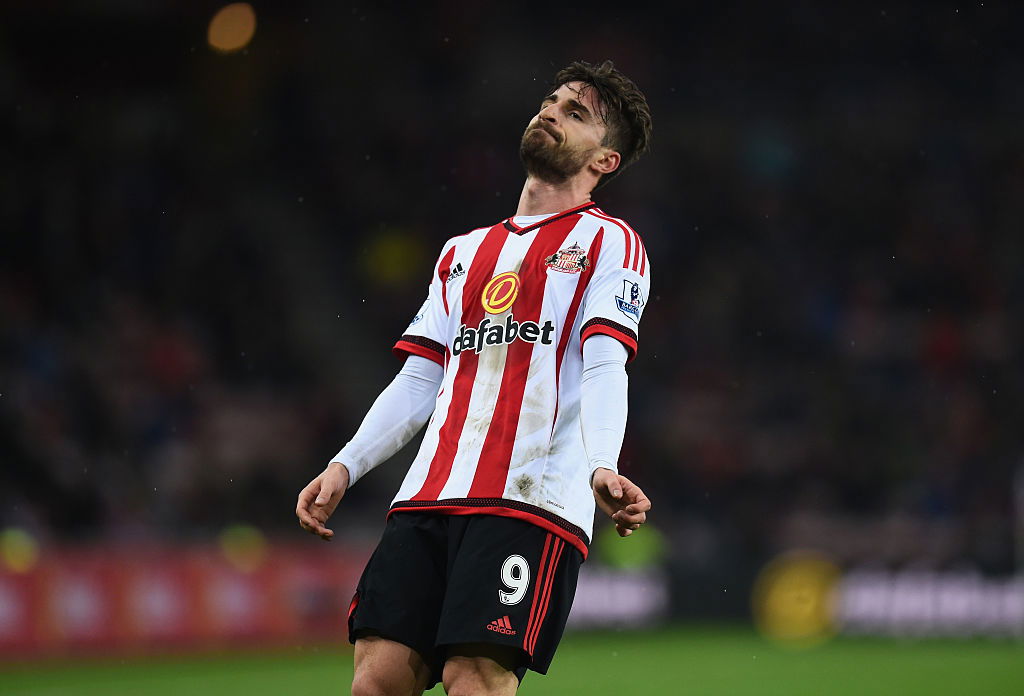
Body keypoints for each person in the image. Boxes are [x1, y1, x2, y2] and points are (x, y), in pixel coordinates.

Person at [296, 59, 654, 696]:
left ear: (605, 162)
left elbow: (605, 360)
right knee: (375, 680)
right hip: (428, 495)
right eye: (552, 101)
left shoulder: (611, 244)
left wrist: (602, 462)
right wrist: (345, 464)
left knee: (475, 679)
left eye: (576, 114)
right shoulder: (462, 252)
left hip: (529, 500)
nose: (551, 112)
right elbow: (417, 379)